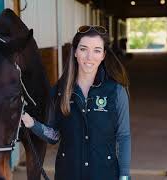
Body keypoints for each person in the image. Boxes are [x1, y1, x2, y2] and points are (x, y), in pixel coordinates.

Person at [21, 25, 131, 180]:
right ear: (75, 52)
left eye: (97, 50)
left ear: (103, 55)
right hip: (68, 174)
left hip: (105, 174)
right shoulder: (60, 91)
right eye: (83, 49)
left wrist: (125, 175)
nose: (89, 57)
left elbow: (124, 136)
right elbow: (54, 136)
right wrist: (31, 123)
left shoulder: (116, 91)